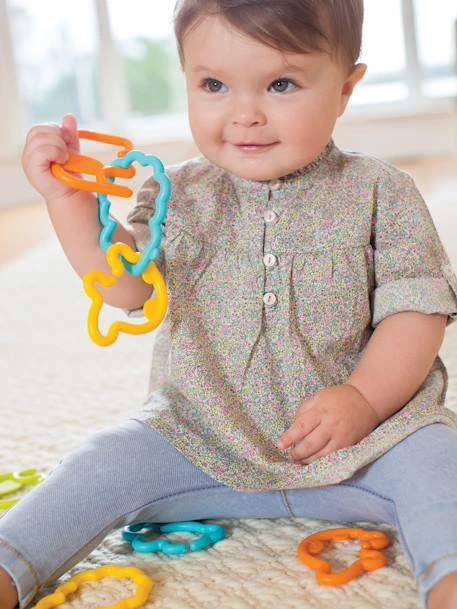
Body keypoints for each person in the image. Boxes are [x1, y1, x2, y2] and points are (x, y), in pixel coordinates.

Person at [2, 0, 457, 607]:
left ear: (345, 90)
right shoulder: (177, 192)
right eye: (214, 85)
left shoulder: (382, 192)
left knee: (439, 462)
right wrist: (68, 204)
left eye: (281, 84)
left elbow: (416, 311)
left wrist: (365, 400)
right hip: (198, 436)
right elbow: (127, 287)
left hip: (367, 445)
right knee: (99, 464)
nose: (244, 114)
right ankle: (9, 564)